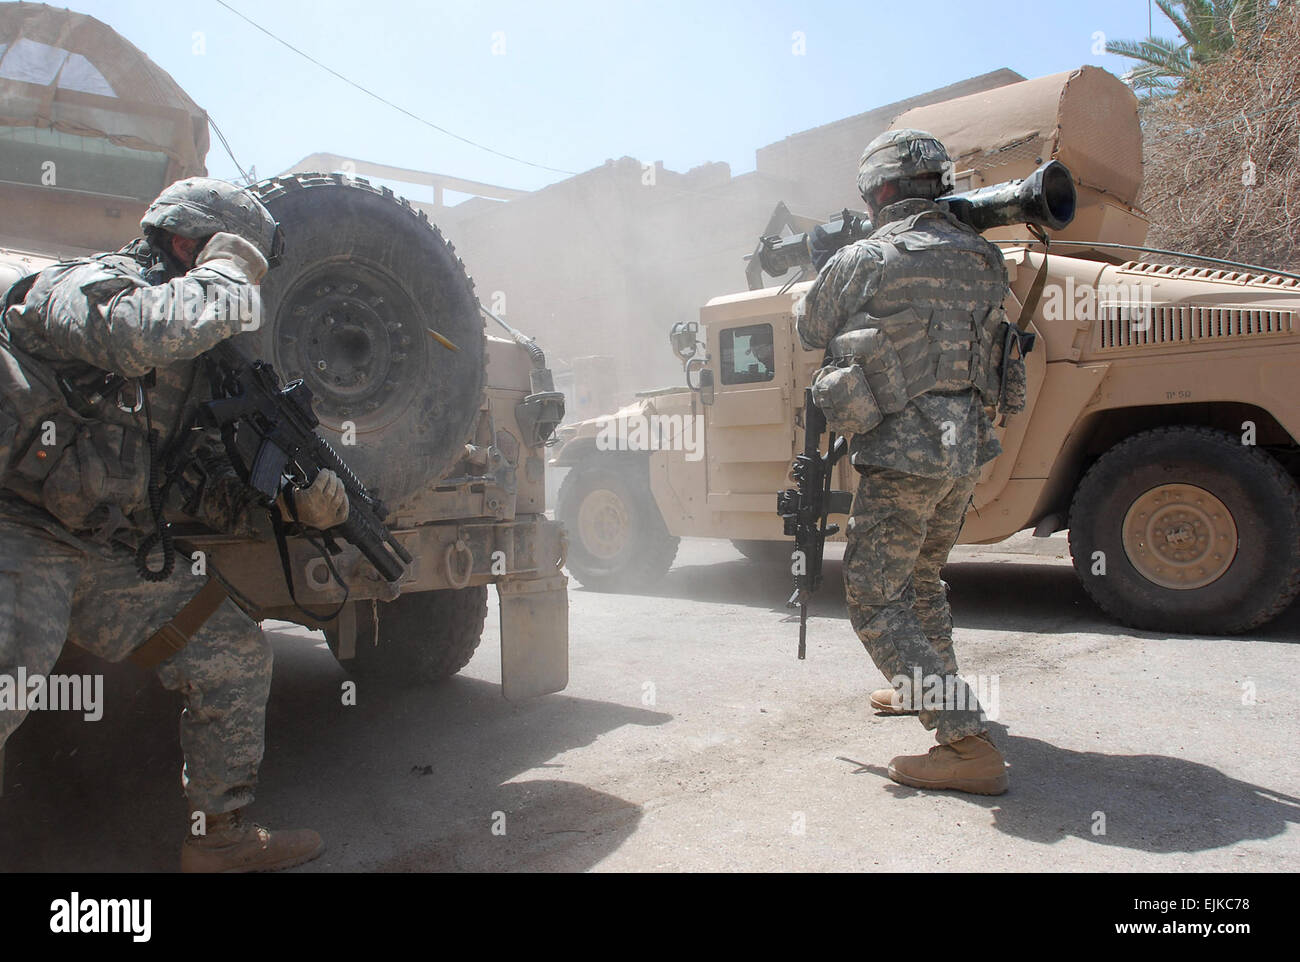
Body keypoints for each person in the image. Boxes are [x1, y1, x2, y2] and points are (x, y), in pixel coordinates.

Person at [0, 177, 349, 869]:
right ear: (189, 244)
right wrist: (230, 272)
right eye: (241, 265)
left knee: (232, 653)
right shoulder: (85, 285)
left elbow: (198, 487)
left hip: (101, 552)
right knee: (11, 664)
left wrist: (294, 499)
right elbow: (134, 336)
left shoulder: (188, 372)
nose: (252, 294)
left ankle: (217, 840)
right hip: (14, 525)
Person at [798, 129, 1012, 795]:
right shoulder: (983, 255)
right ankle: (927, 688)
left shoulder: (869, 255)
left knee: (873, 595)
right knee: (922, 579)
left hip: (904, 452)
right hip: (967, 448)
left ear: (882, 190)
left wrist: (830, 262)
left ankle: (965, 741)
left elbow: (810, 327)